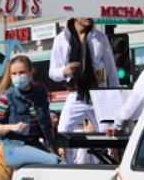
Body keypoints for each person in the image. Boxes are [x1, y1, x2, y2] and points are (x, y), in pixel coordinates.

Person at [49, 18, 119, 163]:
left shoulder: (100, 37)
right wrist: (65, 70)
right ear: (74, 15)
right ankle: (67, 169)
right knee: (63, 133)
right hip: (76, 92)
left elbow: (111, 68)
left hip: (99, 92)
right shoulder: (61, 39)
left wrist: (115, 94)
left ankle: (106, 170)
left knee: (107, 137)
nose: (88, 16)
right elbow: (52, 73)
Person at [0, 54, 62, 168]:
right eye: (14, 73)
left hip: (34, 143)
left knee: (63, 164)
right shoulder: (6, 97)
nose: (18, 76)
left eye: (22, 72)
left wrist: (51, 118)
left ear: (30, 72)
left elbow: (45, 118)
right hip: (14, 147)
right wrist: (11, 127)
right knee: (53, 162)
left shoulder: (40, 93)